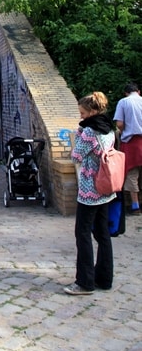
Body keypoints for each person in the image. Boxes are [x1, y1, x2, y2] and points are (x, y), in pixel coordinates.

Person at [64, 91, 117, 295]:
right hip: (105, 187)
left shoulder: (89, 131)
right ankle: (104, 277)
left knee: (82, 232)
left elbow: (76, 156)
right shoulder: (108, 128)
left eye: (83, 113)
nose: (81, 117)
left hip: (89, 189)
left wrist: (79, 132)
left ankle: (85, 282)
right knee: (102, 233)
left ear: (92, 111)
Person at [114, 81, 142, 216]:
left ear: (126, 93)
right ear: (138, 91)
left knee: (132, 174)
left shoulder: (123, 102)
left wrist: (122, 131)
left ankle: (135, 205)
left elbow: (120, 124)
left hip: (131, 142)